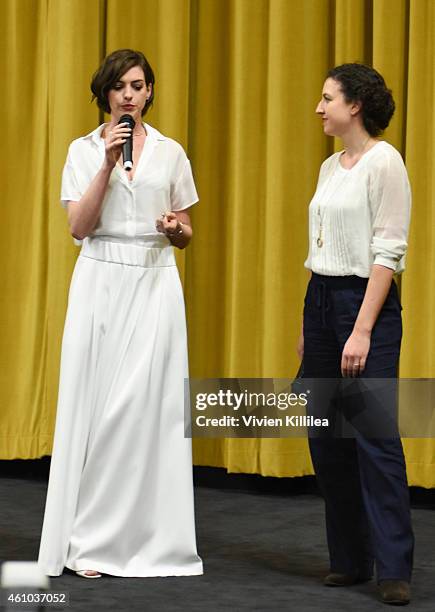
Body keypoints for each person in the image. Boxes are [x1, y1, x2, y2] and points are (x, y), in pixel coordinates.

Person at [38, 49, 203, 579]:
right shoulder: (83, 150)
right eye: (119, 86)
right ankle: (89, 540)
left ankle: (147, 537)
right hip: (101, 278)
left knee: (146, 410)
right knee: (101, 409)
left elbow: (185, 229)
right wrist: (108, 163)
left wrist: (176, 232)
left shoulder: (172, 152)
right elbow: (78, 227)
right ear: (105, 94)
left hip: (155, 280)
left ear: (150, 92)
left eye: (138, 85)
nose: (129, 95)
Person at [298, 64, 414, 605]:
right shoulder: (329, 166)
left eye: (328, 99)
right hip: (321, 301)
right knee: (324, 433)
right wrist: (310, 328)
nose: (320, 108)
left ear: (356, 106)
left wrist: (362, 329)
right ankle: (349, 558)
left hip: (362, 303)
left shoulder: (385, 163)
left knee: (373, 438)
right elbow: (323, 247)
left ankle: (394, 567)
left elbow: (387, 253)